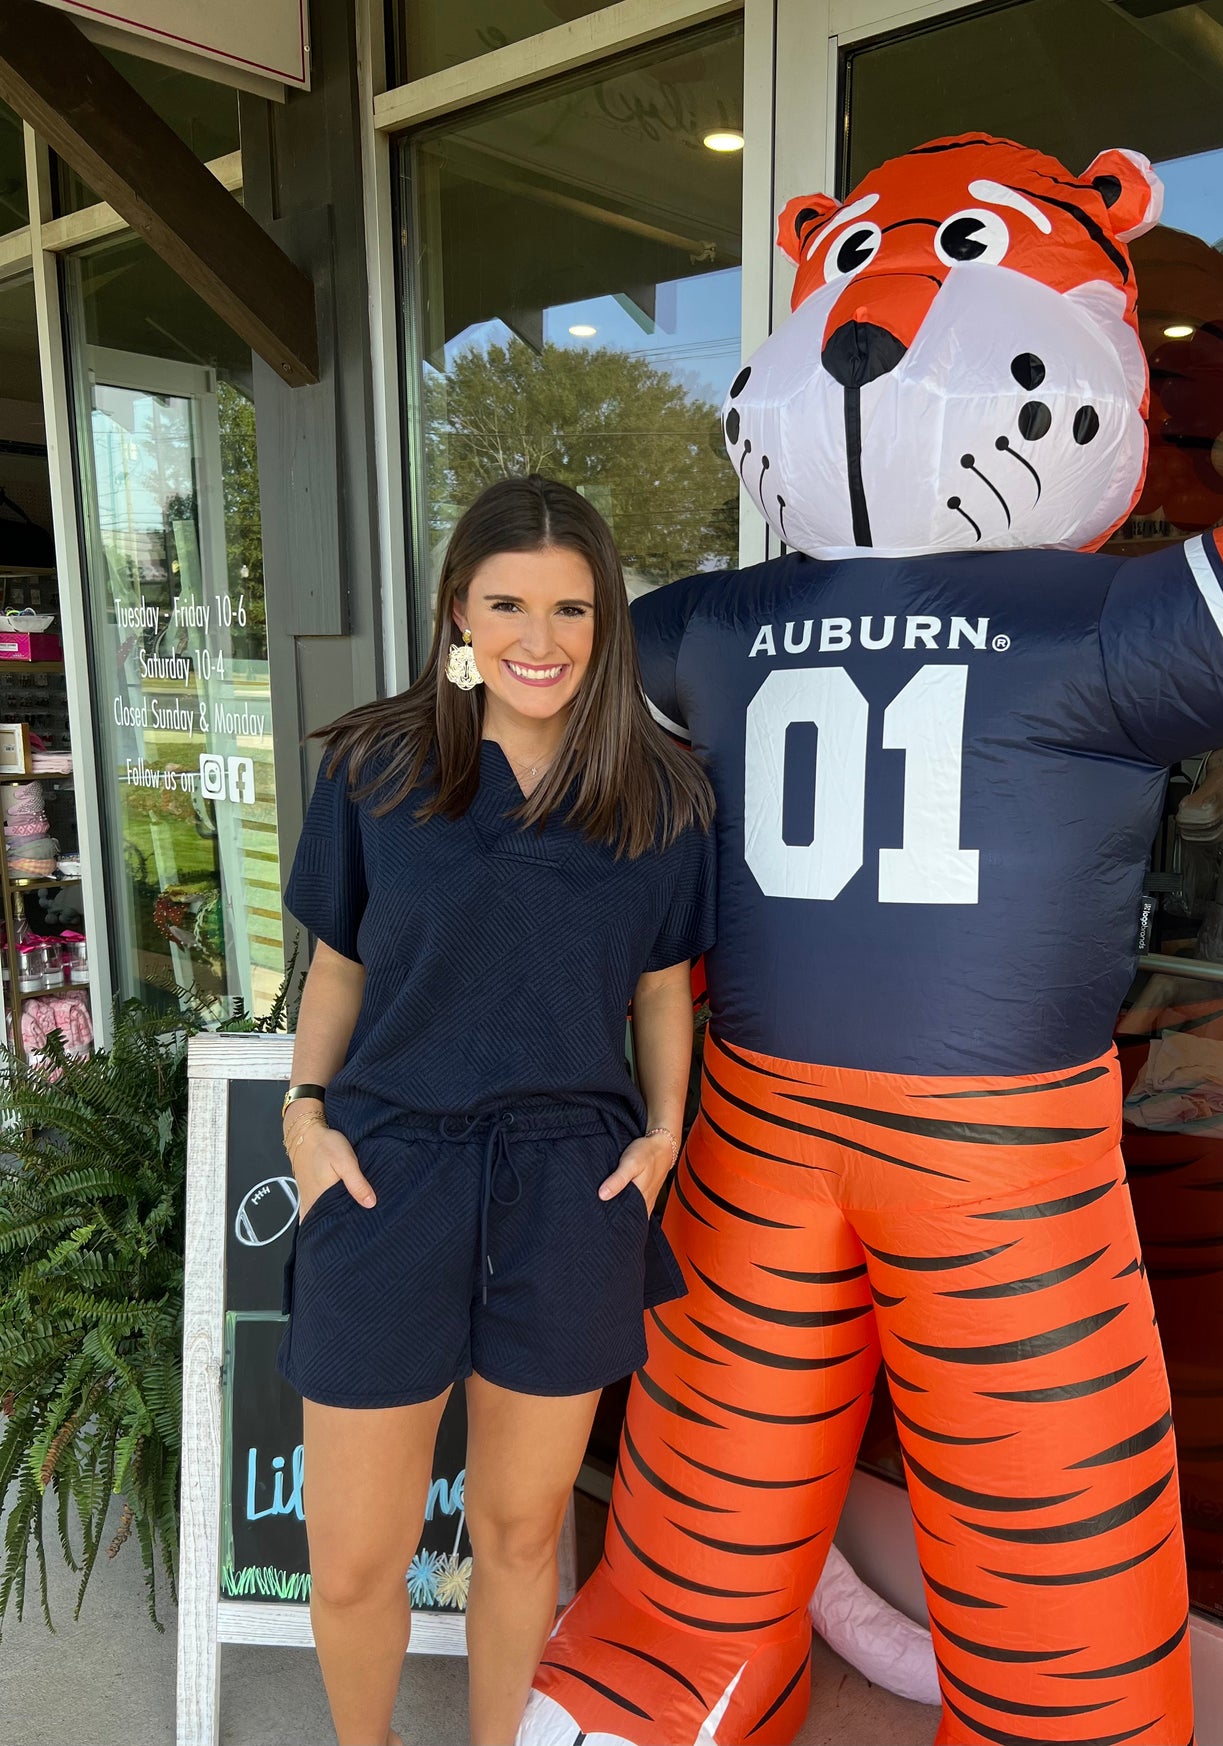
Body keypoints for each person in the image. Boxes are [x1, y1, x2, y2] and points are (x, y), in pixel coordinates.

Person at [275, 475, 715, 1746]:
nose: (540, 639)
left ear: (605, 622)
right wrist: (305, 1116)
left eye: (571, 608)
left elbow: (660, 989)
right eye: (507, 603)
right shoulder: (377, 768)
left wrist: (661, 1136)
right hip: (386, 1178)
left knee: (522, 1539)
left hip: (569, 1193)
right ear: (457, 612)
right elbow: (341, 966)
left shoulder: (660, 792)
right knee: (358, 1560)